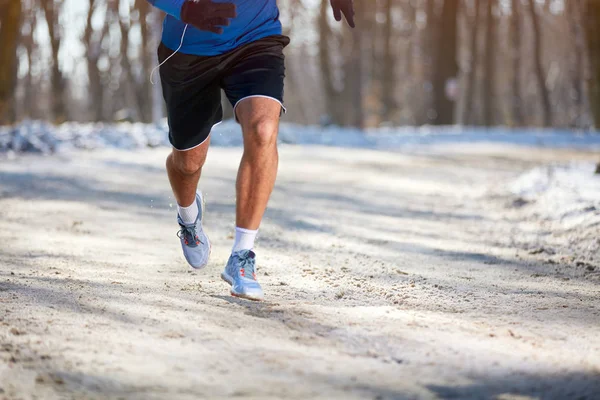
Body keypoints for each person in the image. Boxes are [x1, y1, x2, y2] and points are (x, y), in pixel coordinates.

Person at [147, 0, 355, 301]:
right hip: (189, 49)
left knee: (263, 130)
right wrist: (184, 8)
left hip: (254, 38)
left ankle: (242, 256)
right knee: (189, 162)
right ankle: (188, 215)